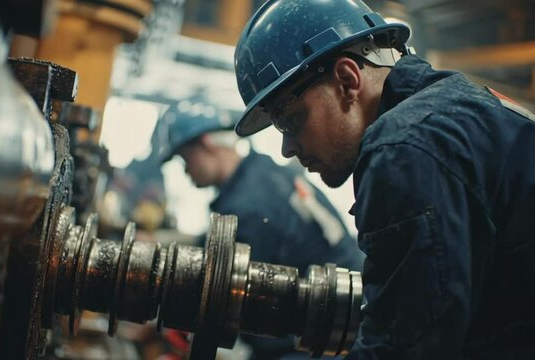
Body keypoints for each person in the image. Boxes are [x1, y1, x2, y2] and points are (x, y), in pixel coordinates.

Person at [232, 0, 535, 358]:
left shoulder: (404, 148)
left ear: (347, 79)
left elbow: (405, 349)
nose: (286, 148)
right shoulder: (454, 111)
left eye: (290, 120)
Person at [158, 96, 365, 359]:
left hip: (325, 342)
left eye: (184, 158)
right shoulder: (260, 174)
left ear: (205, 143)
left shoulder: (249, 208)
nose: (186, 170)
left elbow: (231, 301)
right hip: (345, 316)